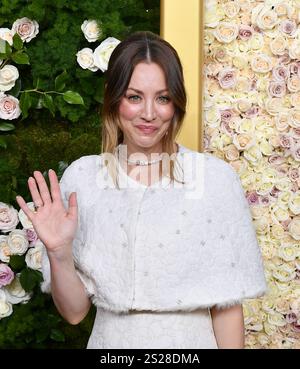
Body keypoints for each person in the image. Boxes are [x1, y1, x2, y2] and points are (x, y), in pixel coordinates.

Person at [16, 31, 267, 349]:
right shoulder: (83, 178)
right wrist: (58, 252)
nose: (149, 113)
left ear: (175, 102)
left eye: (162, 98)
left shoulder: (215, 180)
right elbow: (75, 313)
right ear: (114, 98)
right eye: (134, 97)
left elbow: (228, 307)